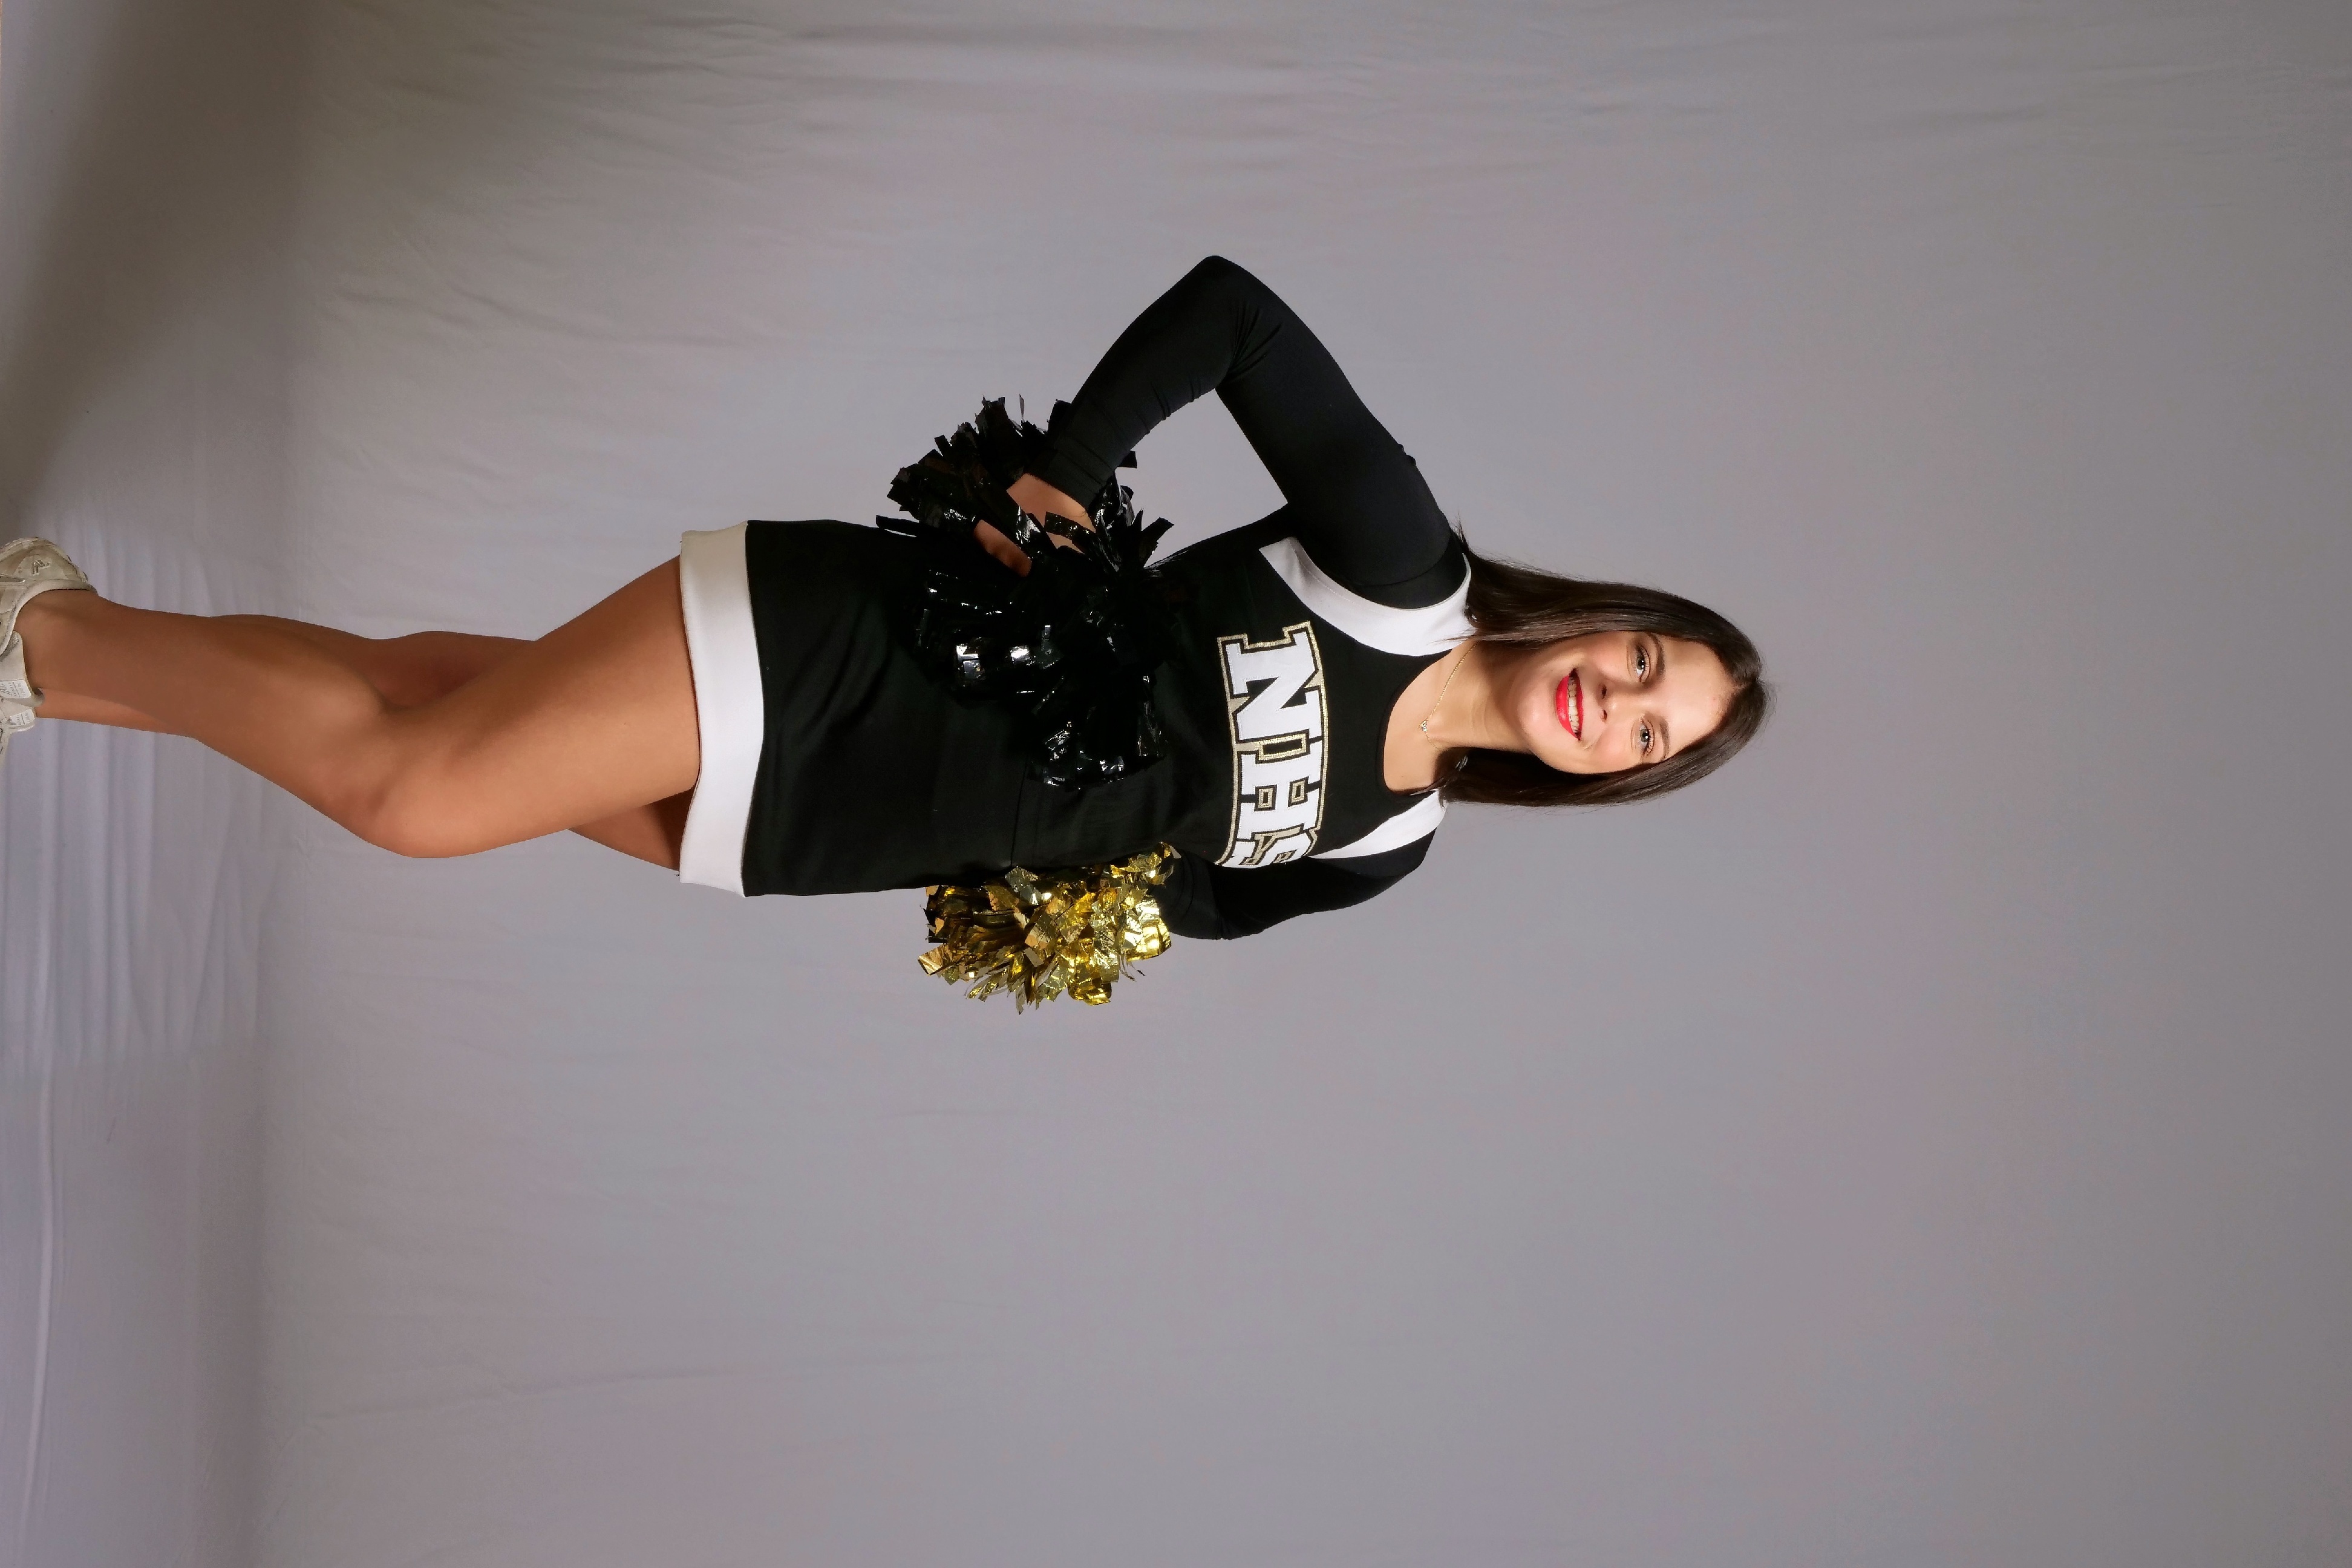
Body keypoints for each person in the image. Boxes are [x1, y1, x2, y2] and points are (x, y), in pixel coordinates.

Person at [0, 256, 1768, 940]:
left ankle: (58, 664)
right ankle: (37, 635)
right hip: (870, 659)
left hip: (870, 821)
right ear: (1603, 619)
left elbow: (1183, 895)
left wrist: (1053, 907)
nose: (1617, 703)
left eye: (1648, 735)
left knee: (433, 701)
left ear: (1612, 779)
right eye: (1644, 660)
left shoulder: (1389, 852)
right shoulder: (1402, 570)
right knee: (419, 795)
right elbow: (1234, 316)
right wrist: (1068, 468)